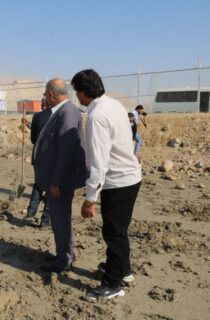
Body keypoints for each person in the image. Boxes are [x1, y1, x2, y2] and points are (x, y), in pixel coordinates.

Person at [71, 69, 142, 301]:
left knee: (114, 233)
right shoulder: (114, 105)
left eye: (77, 92)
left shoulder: (97, 116)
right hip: (129, 177)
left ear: (83, 93)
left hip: (117, 181)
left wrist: (90, 198)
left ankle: (113, 283)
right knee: (119, 230)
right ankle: (124, 270)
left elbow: (99, 161)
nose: (77, 97)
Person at [34, 78, 88, 274]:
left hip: (60, 181)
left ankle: (64, 259)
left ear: (50, 94)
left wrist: (56, 182)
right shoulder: (64, 112)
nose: (45, 98)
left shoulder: (68, 113)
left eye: (45, 94)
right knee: (59, 219)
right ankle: (63, 253)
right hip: (55, 179)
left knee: (61, 219)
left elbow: (66, 152)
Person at [22, 98, 52, 228]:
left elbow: (34, 139)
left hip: (38, 156)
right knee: (52, 188)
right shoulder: (58, 116)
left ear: (43, 105)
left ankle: (30, 213)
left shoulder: (37, 116)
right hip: (53, 157)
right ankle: (45, 221)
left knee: (39, 185)